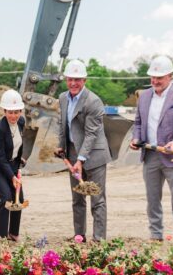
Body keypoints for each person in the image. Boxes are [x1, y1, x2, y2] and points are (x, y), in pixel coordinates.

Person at [129, 56, 173, 242]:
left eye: (160, 77)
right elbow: (138, 122)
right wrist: (136, 137)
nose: (155, 81)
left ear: (170, 76)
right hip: (150, 155)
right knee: (152, 199)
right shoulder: (144, 96)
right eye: (153, 77)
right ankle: (156, 234)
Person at [57, 60, 112, 242]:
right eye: (71, 79)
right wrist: (62, 146)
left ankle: (98, 240)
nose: (73, 83)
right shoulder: (63, 98)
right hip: (73, 154)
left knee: (97, 199)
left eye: (78, 79)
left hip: (94, 155)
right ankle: (79, 236)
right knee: (78, 198)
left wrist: (80, 160)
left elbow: (91, 135)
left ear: (85, 80)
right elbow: (62, 124)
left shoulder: (93, 101)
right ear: (66, 79)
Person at [0, 89, 26, 241]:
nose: (13, 115)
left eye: (17, 112)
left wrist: (20, 160)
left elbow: (19, 144)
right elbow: (0, 157)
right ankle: (2, 236)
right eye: (10, 112)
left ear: (20, 111)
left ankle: (13, 234)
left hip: (11, 163)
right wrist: (12, 176)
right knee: (7, 197)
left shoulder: (21, 122)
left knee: (19, 198)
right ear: (4, 110)